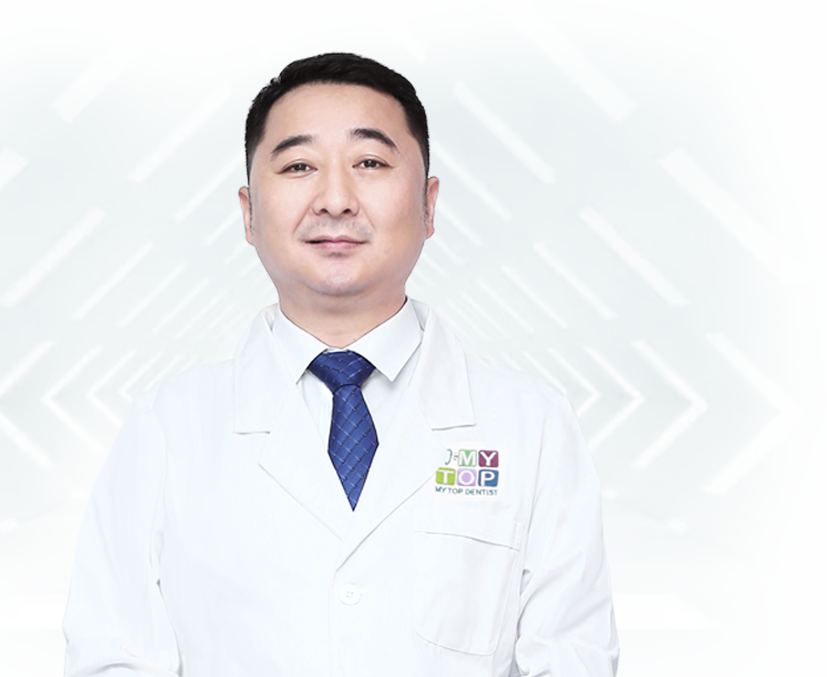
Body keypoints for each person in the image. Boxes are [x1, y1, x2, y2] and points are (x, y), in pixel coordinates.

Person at [62, 51, 620, 676]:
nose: (335, 200)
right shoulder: (166, 427)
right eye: (298, 166)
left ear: (429, 205)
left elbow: (572, 658)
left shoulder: (532, 422)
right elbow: (113, 657)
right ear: (249, 214)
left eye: (370, 163)